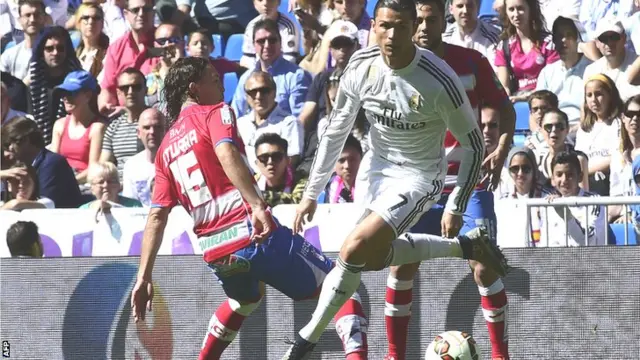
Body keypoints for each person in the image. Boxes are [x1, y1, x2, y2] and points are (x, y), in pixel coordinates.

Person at [282, 1, 509, 358]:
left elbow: (475, 145)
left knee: (353, 249)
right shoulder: (360, 65)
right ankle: (465, 246)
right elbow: (335, 130)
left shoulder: (440, 78)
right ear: (373, 26)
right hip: (377, 171)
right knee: (370, 259)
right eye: (384, 26)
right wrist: (311, 191)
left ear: (413, 27)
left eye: (400, 27)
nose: (391, 35)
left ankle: (303, 342)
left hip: (420, 176)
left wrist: (456, 203)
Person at [130, 57, 369, 360]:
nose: (221, 84)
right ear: (194, 88)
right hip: (251, 234)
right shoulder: (215, 112)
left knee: (244, 300)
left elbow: (156, 216)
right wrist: (257, 205)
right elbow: (226, 150)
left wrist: (144, 277)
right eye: (213, 79)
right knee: (343, 286)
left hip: (216, 251)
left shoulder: (164, 150)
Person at [383, 1, 516, 359]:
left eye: (431, 19)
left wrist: (502, 150)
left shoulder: (472, 62)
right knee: (401, 263)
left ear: (445, 19)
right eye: (418, 21)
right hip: (418, 187)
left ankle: (500, 355)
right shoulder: (393, 68)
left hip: (468, 182)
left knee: (485, 262)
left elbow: (506, 108)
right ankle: (395, 354)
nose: (424, 27)